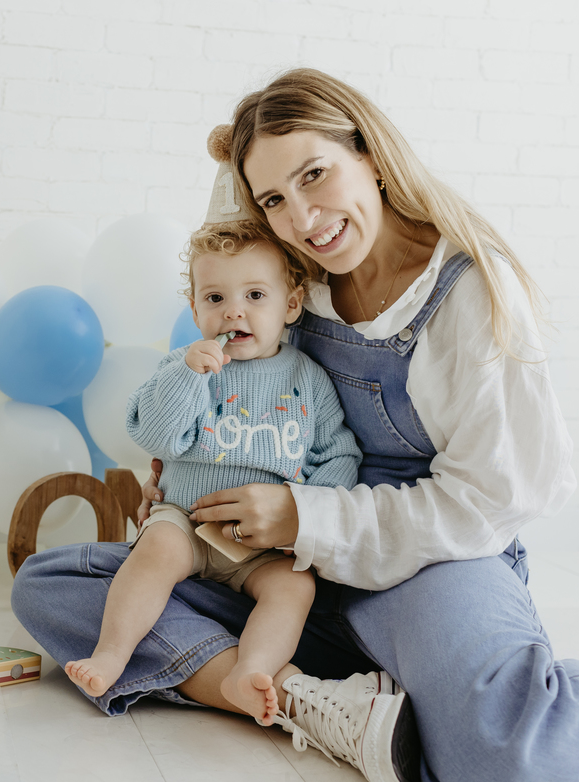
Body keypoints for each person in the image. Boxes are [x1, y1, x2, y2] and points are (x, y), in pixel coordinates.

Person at [12, 68, 579, 782]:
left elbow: (490, 499)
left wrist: (302, 515)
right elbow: (226, 286)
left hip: (427, 556)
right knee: (57, 585)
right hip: (287, 566)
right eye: (275, 200)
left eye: (316, 175)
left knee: (507, 762)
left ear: (371, 155)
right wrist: (190, 463)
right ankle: (305, 697)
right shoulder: (291, 279)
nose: (304, 218)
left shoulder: (469, 292)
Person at [64, 209, 362, 727]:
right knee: (154, 552)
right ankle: (112, 653)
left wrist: (305, 519)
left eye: (255, 296)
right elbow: (153, 435)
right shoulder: (183, 366)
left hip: (263, 546)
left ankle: (249, 671)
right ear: (196, 308)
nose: (233, 313)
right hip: (186, 521)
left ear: (291, 305)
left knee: (296, 588)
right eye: (215, 298)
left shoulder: (308, 379)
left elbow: (338, 457)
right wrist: (186, 376)